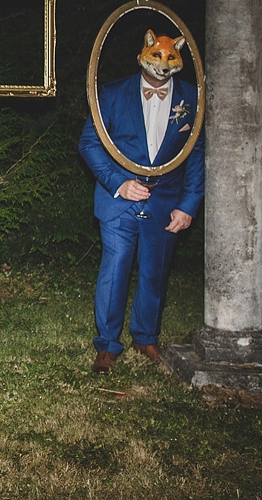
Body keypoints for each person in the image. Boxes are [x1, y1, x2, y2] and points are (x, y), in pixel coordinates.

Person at [79, 29, 204, 374]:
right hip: (118, 201)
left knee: (155, 272)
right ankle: (107, 344)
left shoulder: (193, 98)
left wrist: (190, 202)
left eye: (170, 58)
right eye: (156, 57)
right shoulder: (112, 93)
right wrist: (120, 183)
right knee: (115, 269)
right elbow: (89, 144)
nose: (162, 65)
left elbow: (196, 153)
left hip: (167, 201)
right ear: (142, 56)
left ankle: (145, 336)